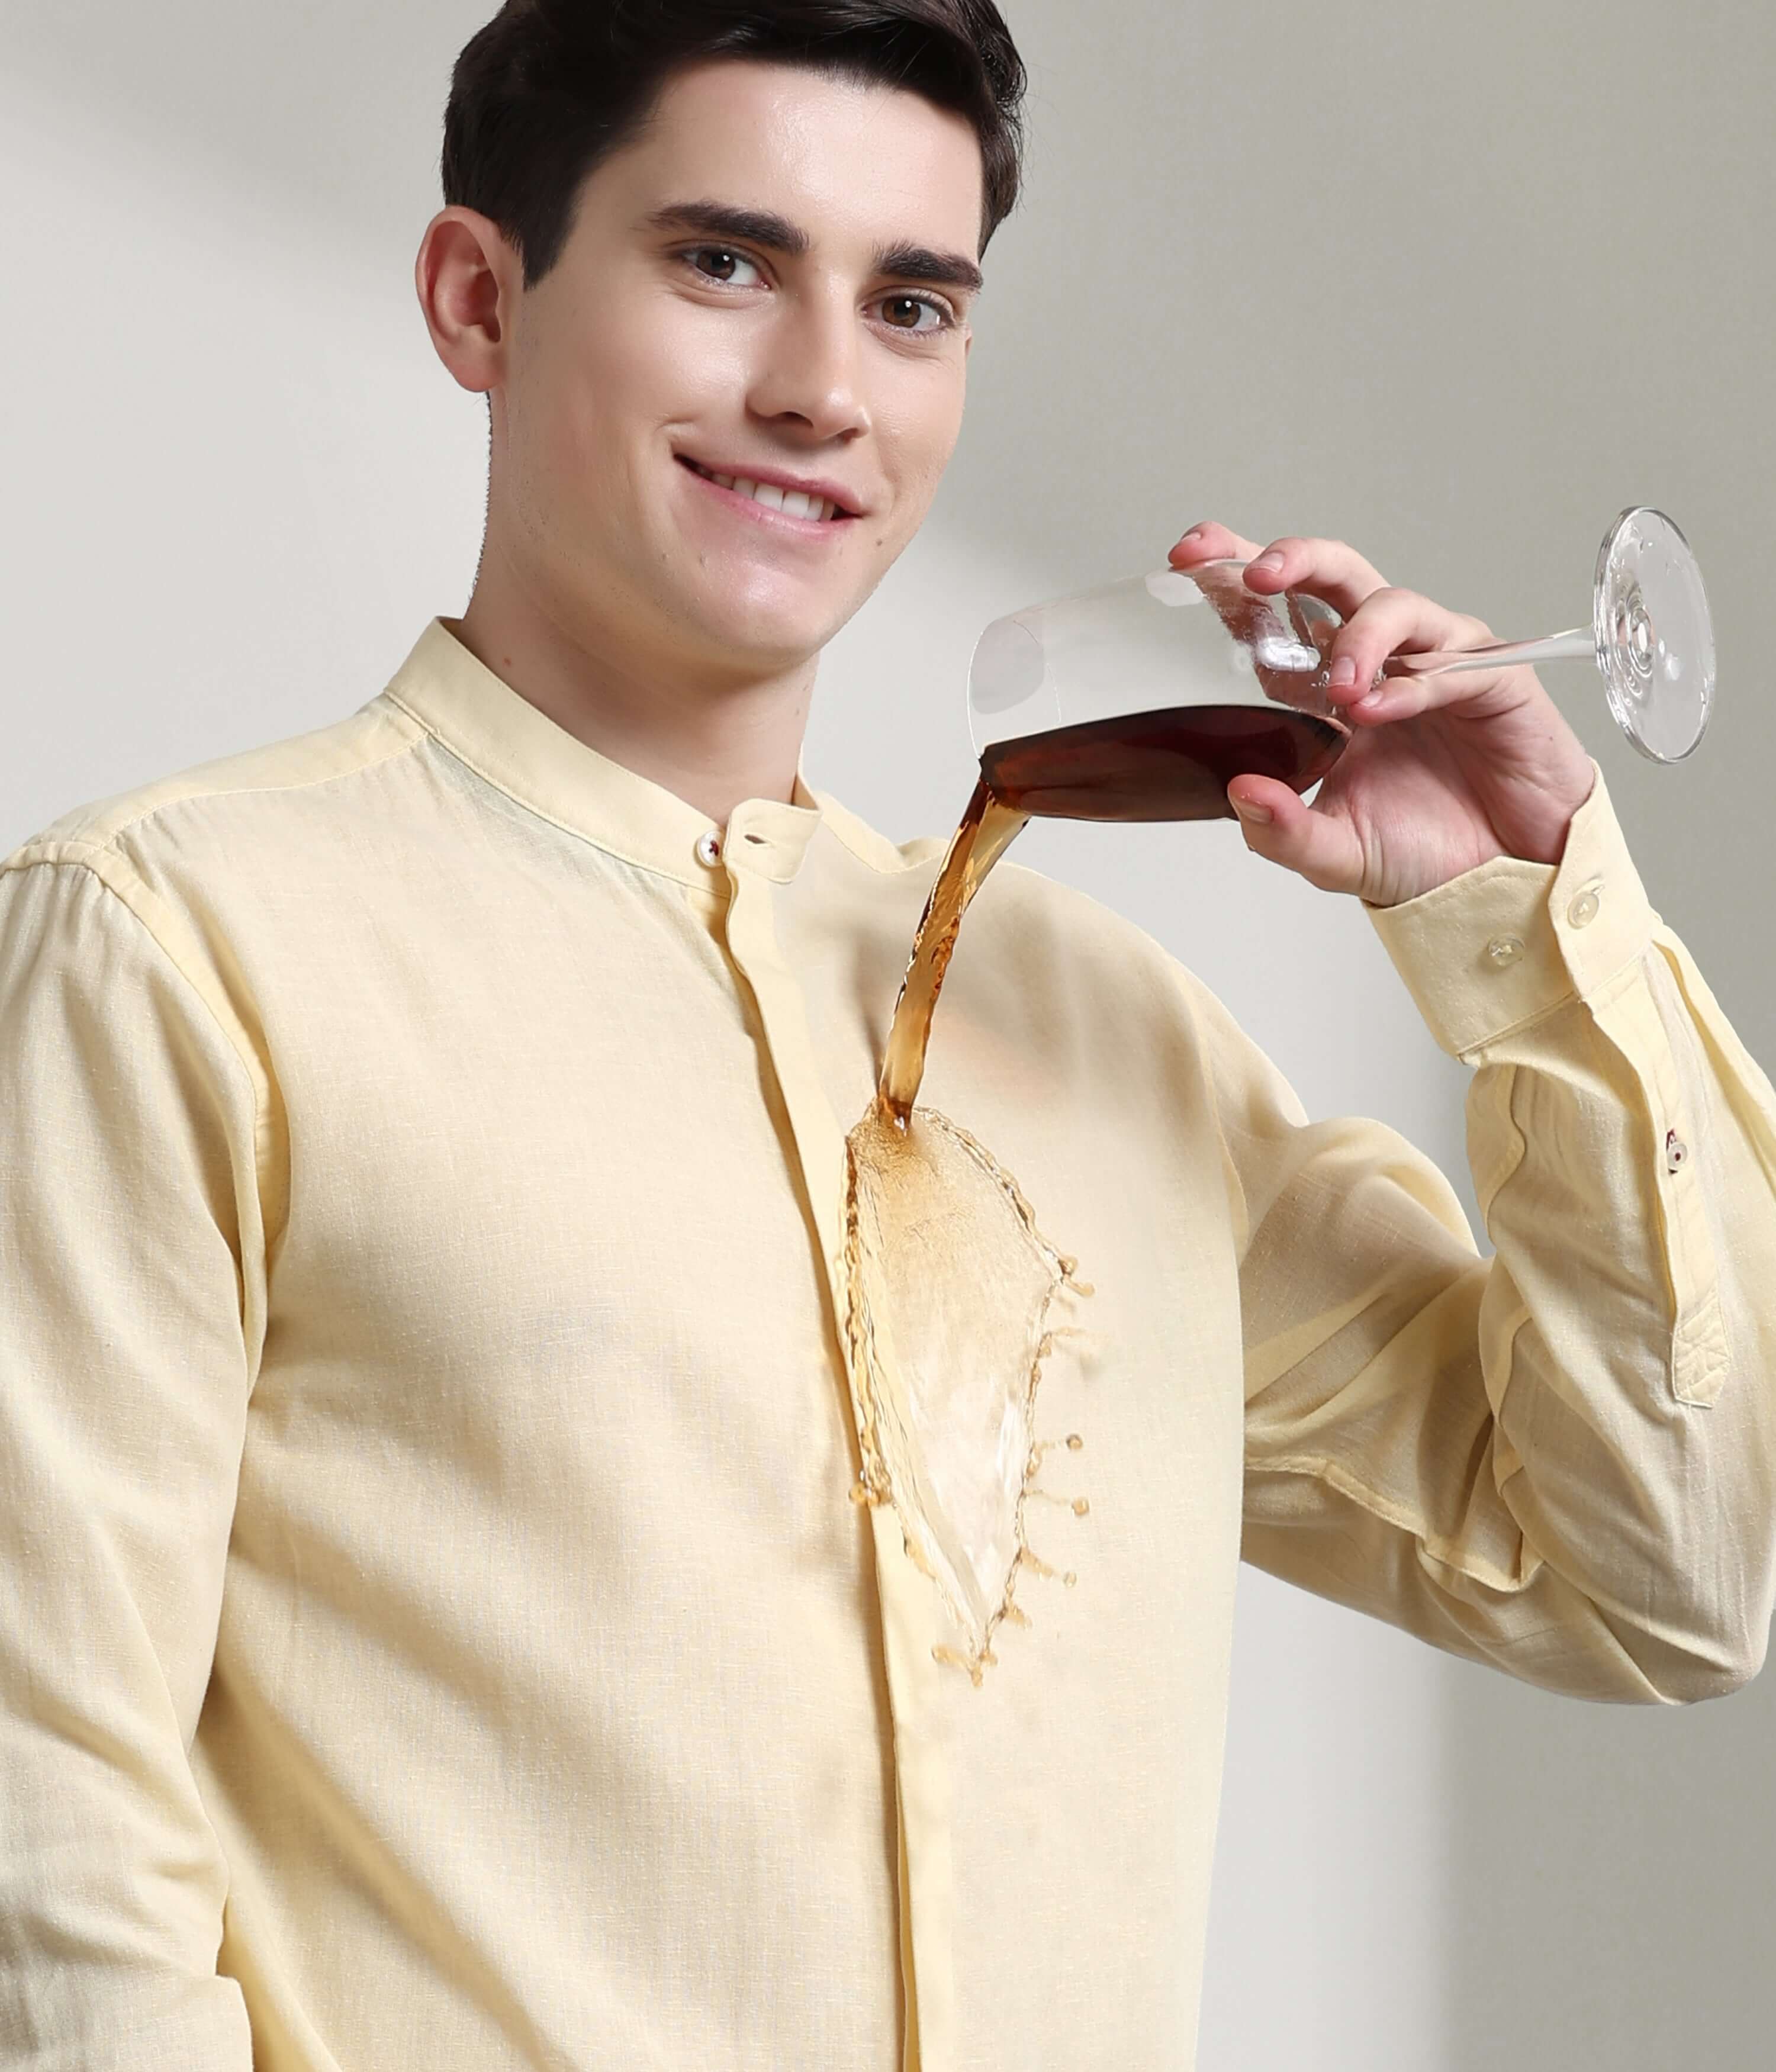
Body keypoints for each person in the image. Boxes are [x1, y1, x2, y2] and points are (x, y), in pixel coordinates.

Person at [2, 3, 1773, 2068]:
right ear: (479, 295)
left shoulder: (1107, 1038)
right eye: (723, 261)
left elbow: (1664, 1574)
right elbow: (54, 1853)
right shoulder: (180, 952)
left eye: (913, 302)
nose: (825, 390)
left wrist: (1525, 915)